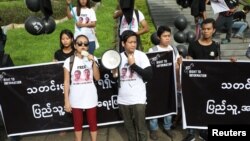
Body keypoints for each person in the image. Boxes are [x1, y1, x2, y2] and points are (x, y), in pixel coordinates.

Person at [182, 18, 236, 141]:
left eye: (208, 29)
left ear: (214, 30)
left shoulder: (215, 45)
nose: (205, 31)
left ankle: (204, 131)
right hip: (194, 83)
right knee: (192, 105)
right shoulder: (193, 44)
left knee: (207, 106)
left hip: (210, 84)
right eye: (204, 29)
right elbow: (189, 60)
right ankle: (190, 132)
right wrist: (185, 61)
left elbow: (218, 63)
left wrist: (231, 62)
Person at [112, 30, 153, 141]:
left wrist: (133, 65)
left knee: (141, 128)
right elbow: (115, 78)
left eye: (135, 42)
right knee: (129, 129)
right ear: (123, 44)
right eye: (130, 42)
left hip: (138, 98)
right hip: (123, 99)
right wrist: (114, 71)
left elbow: (149, 75)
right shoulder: (117, 57)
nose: (133, 44)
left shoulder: (141, 56)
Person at [63, 34, 100, 141]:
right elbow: (66, 82)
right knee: (77, 123)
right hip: (76, 97)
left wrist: (93, 62)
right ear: (75, 45)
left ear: (88, 46)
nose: (82, 46)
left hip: (90, 95)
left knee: (92, 121)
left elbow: (97, 78)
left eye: (85, 44)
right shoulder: (69, 61)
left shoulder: (93, 58)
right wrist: (66, 101)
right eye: (79, 44)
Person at [148, 25, 181, 141]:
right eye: (164, 36)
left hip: (170, 84)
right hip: (157, 85)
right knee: (156, 106)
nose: (167, 38)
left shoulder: (174, 49)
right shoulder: (153, 51)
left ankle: (167, 127)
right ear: (158, 37)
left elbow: (177, 65)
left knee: (169, 105)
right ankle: (154, 129)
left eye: (169, 36)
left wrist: (180, 63)